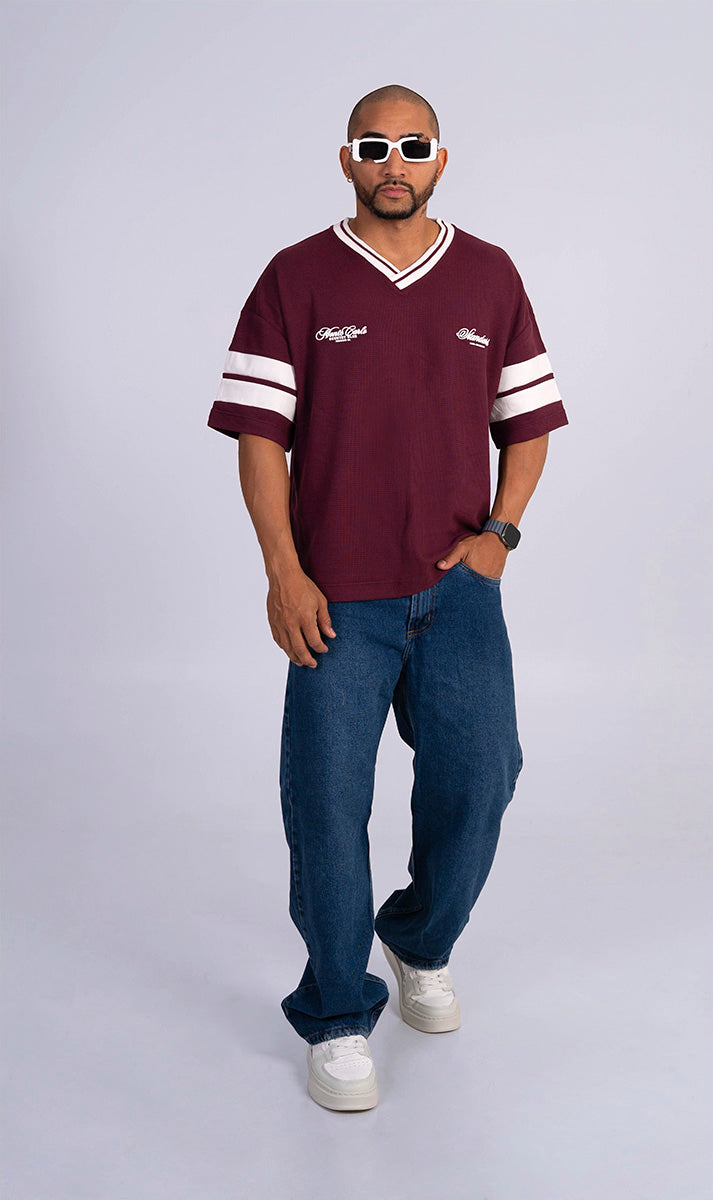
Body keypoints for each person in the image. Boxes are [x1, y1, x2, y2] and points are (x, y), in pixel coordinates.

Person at [207, 84, 568, 1112]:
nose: (394, 162)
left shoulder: (489, 275)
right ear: (347, 160)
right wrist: (283, 571)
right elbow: (259, 437)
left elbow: (528, 424)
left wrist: (499, 535)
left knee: (483, 778)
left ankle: (416, 940)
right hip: (337, 600)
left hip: (457, 593)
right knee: (326, 806)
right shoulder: (296, 277)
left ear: (440, 159)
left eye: (413, 146)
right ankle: (335, 1011)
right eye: (375, 146)